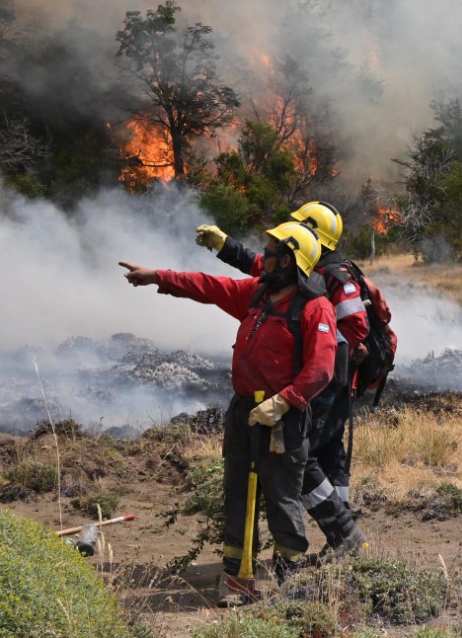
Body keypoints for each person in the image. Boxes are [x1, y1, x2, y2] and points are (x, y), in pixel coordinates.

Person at [120, 221, 335, 606]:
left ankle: (291, 589)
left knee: (282, 497)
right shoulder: (257, 295)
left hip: (281, 420)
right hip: (244, 413)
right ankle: (237, 581)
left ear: (286, 261)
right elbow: (209, 286)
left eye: (268, 253)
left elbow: (320, 369)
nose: (261, 259)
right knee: (237, 493)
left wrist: (283, 401)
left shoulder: (314, 308)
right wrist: (159, 277)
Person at [194, 203, 377, 554]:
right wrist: (225, 246)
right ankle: (342, 537)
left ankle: (344, 535)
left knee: (302, 458)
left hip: (325, 385)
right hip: (320, 383)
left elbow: (354, 333)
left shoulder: (334, 277)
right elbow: (262, 267)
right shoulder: (310, 269)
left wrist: (308, 356)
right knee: (326, 459)